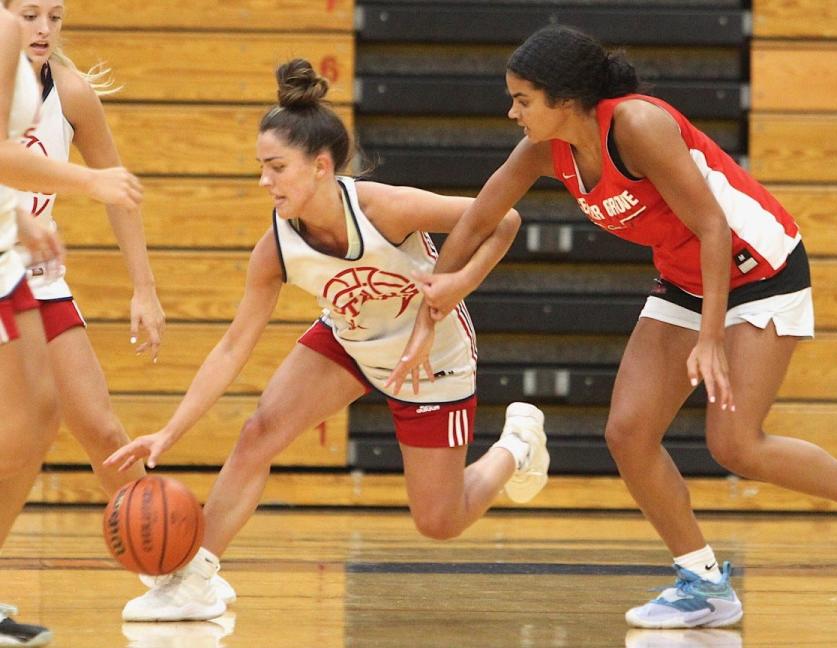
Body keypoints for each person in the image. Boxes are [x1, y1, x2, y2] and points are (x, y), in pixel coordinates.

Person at [388, 25, 837, 629]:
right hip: (686, 277)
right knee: (628, 432)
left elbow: (713, 227)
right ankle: (703, 582)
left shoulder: (638, 125)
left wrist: (710, 340)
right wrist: (435, 298)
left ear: (565, 99)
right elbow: (475, 222)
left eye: (522, 99)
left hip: (760, 267)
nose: (511, 111)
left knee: (736, 444)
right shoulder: (546, 150)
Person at [104, 58, 549, 622]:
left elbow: (502, 220)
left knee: (439, 520)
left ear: (319, 167)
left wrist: (458, 283)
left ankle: (518, 446)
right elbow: (233, 347)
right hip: (351, 341)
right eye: (261, 168)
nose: (265, 181)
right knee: (258, 433)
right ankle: (196, 575)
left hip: (430, 355)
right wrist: (171, 430)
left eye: (275, 167)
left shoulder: (385, 208)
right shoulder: (276, 248)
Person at [1, 5, 142, 644]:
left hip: (26, 268)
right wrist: (85, 182)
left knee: (67, 423)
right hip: (10, 261)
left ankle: (174, 569)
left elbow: (121, 192)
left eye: (53, 14)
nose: (41, 26)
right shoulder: (4, 59)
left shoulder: (65, 88)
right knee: (28, 423)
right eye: (27, 12)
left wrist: (145, 288)